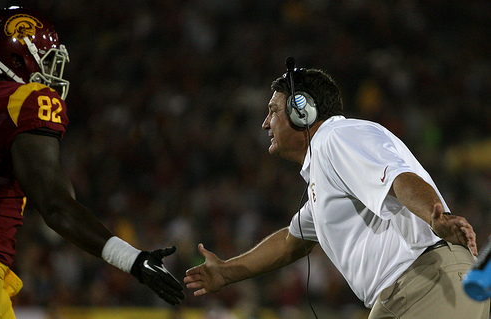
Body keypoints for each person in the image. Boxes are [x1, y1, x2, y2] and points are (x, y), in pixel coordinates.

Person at [184, 57, 491, 318]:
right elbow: (291, 242)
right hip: (413, 290)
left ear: (301, 112)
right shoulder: (327, 171)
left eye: (274, 110)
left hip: (426, 283)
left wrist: (434, 217)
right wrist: (225, 272)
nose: (265, 123)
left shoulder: (336, 138)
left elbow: (398, 178)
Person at [0, 7, 185, 318]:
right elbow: (56, 206)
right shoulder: (23, 99)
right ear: (17, 58)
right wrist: (132, 259)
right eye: (46, 59)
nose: (52, 73)